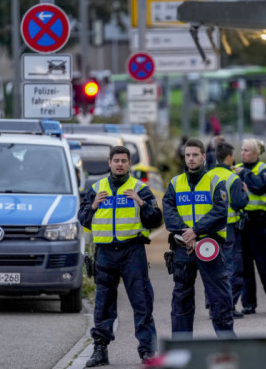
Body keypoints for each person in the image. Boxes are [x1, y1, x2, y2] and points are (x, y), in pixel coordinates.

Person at [78, 146, 163, 367]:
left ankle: (147, 351)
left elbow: (155, 221)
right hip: (105, 253)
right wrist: (94, 205)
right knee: (103, 304)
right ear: (109, 163)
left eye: (124, 161)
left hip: (132, 251)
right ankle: (100, 350)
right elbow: (83, 219)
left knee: (142, 302)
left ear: (129, 164)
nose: (120, 164)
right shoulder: (96, 189)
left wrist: (141, 203)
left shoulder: (140, 189)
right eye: (116, 160)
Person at [163, 138, 235, 338]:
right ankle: (181, 346)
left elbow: (220, 212)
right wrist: (187, 232)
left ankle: (227, 342)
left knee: (219, 297)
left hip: (209, 245)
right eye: (188, 155)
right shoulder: (176, 183)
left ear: (204, 156)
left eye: (195, 155)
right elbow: (169, 212)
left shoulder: (215, 182)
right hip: (183, 247)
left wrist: (196, 230)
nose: (191, 159)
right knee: (181, 299)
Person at [235, 139, 266, 315]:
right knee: (245, 267)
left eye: (247, 150)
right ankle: (248, 304)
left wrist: (245, 174)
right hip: (243, 223)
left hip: (260, 222)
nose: (243, 153)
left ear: (255, 153)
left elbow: (259, 187)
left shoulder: (264, 169)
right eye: (242, 150)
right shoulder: (237, 168)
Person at [209, 141, 249, 318]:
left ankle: (213, 306)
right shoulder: (233, 178)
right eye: (233, 156)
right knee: (232, 267)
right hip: (230, 228)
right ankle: (228, 306)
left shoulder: (207, 176)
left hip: (210, 228)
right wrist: (245, 193)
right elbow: (239, 203)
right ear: (228, 157)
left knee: (212, 267)